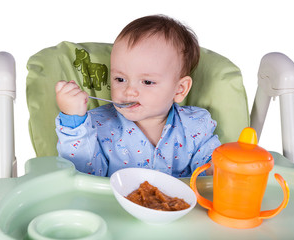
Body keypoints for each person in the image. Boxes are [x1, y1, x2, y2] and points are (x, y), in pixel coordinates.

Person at [55, 14, 220, 177]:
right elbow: (82, 173)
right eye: (120, 79)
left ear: (180, 89)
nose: (129, 91)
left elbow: (210, 174)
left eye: (147, 82)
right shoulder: (95, 125)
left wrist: (216, 168)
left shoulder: (196, 126)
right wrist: (74, 120)